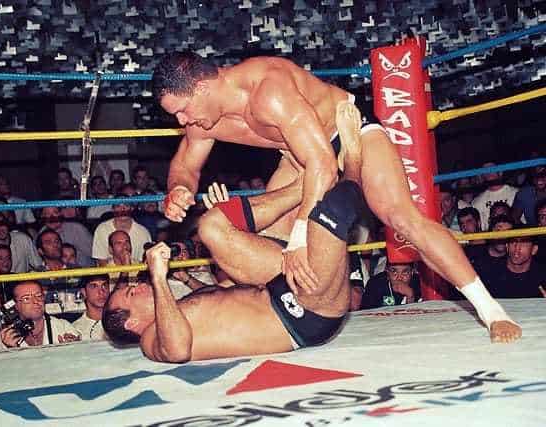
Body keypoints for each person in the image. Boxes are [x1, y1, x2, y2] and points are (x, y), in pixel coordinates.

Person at [154, 51, 520, 342]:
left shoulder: (268, 89)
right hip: (300, 158)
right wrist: (178, 188)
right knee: (257, 240)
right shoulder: (204, 121)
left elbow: (325, 165)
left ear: (202, 87)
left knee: (402, 219)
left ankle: (491, 311)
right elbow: (185, 165)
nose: (182, 121)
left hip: (345, 136)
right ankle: (284, 314)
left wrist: (300, 238)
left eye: (182, 110)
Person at [103, 171, 359, 361]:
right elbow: (178, 350)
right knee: (333, 208)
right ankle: (353, 161)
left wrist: (232, 221)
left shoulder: (178, 309)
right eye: (131, 293)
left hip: (278, 286)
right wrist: (159, 277)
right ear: (131, 323)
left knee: (214, 224)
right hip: (302, 316)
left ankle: (303, 183)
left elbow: (233, 287)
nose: (138, 286)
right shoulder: (151, 339)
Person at [0, 281, 80, 350]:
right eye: (26, 298)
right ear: (15, 305)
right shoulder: (6, 337)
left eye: (39, 296)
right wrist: (11, 351)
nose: (36, 301)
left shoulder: (63, 327)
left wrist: (73, 349)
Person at [92, 187, 152, 265]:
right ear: (113, 209)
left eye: (126, 205)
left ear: (132, 208)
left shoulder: (143, 232)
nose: (122, 209)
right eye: (118, 206)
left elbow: (145, 263)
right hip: (109, 271)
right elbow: (101, 262)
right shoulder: (102, 229)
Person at [479, 230, 545, 299]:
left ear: (534, 249)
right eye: (513, 242)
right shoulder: (489, 272)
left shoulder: (542, 275)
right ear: (507, 246)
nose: (517, 248)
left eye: (524, 243)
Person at [472, 162, 518, 230]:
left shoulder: (516, 193)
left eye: (492, 169)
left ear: (500, 172)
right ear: (481, 175)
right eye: (485, 170)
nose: (489, 172)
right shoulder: (477, 202)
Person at [73, 274, 109, 341]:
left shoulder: (118, 322)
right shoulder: (76, 329)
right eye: (94, 286)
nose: (101, 292)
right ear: (84, 292)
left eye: (104, 285)